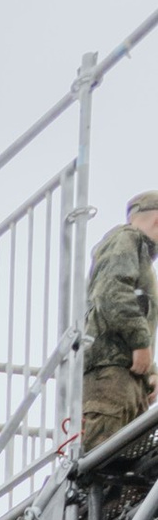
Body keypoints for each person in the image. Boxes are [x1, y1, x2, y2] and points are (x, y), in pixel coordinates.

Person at [83, 192, 158, 466]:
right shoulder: (126, 239)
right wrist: (140, 343)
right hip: (111, 374)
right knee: (103, 465)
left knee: (128, 471)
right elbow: (112, 292)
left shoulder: (136, 252)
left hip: (126, 377)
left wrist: (150, 372)